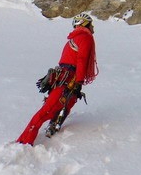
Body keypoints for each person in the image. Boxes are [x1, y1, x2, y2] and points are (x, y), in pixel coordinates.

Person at [17, 13, 98, 145]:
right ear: (84, 24)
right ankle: (25, 140)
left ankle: (53, 125)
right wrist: (79, 80)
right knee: (49, 109)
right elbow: (81, 59)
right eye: (90, 24)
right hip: (69, 76)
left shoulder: (75, 38)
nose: (92, 27)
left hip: (63, 76)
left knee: (68, 101)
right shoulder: (85, 37)